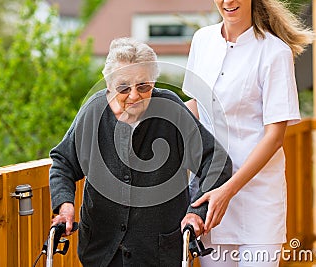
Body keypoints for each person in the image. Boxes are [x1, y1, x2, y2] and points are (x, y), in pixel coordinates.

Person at [49, 37, 232, 266]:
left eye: (143, 86)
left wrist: (197, 211)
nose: (134, 96)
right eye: (124, 87)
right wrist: (65, 205)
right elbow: (63, 162)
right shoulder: (94, 111)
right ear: (108, 84)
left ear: (154, 83)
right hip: (101, 251)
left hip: (157, 253)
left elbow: (216, 161)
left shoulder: (171, 110)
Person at [182, 0, 314, 266]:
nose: (228, 2)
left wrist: (228, 191)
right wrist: (147, 119)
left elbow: (275, 136)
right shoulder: (202, 40)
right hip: (210, 195)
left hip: (258, 201)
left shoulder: (274, 51)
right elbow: (196, 106)